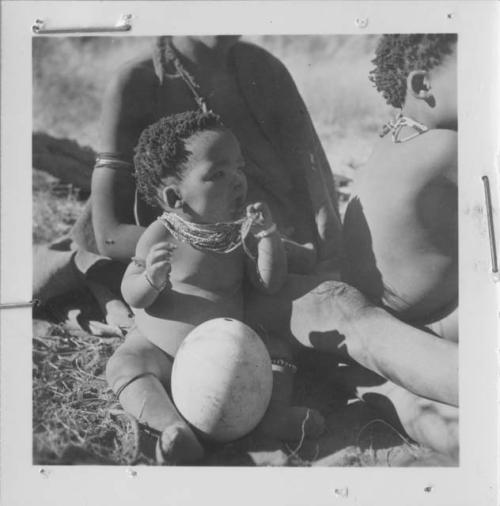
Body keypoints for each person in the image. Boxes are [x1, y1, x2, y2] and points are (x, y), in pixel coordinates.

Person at [246, 34, 459, 460]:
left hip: (397, 310)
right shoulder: (449, 146)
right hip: (427, 317)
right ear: (422, 86)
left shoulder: (397, 132)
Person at [106, 111, 325, 464]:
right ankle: (173, 428)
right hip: (163, 352)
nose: (238, 180)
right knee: (125, 364)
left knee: (278, 350)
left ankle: (270, 418)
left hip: (229, 358)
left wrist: (268, 238)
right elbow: (130, 291)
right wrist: (150, 280)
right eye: (218, 174)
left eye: (239, 168)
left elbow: (268, 284)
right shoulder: (162, 235)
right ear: (176, 198)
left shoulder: (237, 234)